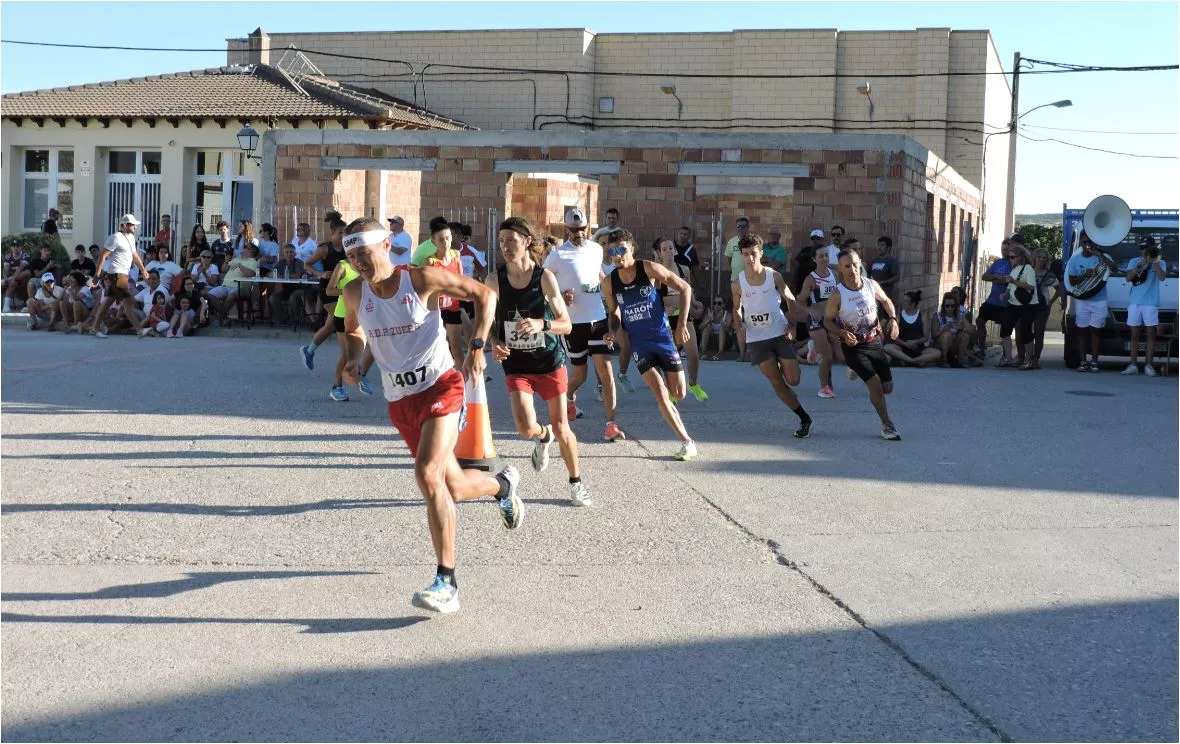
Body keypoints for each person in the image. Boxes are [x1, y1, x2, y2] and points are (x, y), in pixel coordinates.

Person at [339, 217, 523, 615]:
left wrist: (477, 345)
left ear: (387, 245)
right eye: (351, 256)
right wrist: (355, 363)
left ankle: (447, 582)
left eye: (364, 253)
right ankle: (502, 487)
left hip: (442, 388)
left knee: (427, 474)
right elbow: (354, 330)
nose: (359, 262)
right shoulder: (354, 292)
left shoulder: (422, 279)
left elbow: (484, 296)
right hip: (400, 401)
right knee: (451, 487)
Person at [486, 217, 589, 506]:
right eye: (502, 241)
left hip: (549, 361)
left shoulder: (543, 277)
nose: (505, 246)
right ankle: (541, 439)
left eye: (511, 240)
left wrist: (541, 324)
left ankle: (576, 483)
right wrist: (494, 343)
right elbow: (485, 322)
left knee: (562, 427)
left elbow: (565, 324)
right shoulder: (495, 279)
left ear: (527, 241)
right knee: (524, 427)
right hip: (516, 364)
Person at [601, 230, 699, 459]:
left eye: (622, 249)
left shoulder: (648, 268)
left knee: (679, 393)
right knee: (660, 392)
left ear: (632, 248)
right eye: (613, 251)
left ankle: (677, 414)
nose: (617, 256)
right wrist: (611, 330)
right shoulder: (609, 282)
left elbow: (685, 288)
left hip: (663, 339)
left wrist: (681, 324)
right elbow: (614, 311)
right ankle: (686, 441)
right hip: (640, 344)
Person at [543, 207, 620, 438]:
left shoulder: (596, 249)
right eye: (574, 230)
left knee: (606, 372)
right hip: (573, 324)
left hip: (597, 319)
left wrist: (611, 297)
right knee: (580, 376)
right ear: (567, 230)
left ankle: (611, 424)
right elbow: (542, 284)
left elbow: (598, 276)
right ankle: (568, 399)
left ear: (588, 228)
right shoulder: (557, 255)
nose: (578, 234)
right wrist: (559, 295)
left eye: (582, 229)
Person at [732, 235, 813, 438]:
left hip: (779, 332)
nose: (749, 258)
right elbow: (736, 307)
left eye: (753, 253)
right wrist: (739, 322)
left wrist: (792, 324)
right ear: (741, 256)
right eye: (745, 254)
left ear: (760, 253)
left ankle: (789, 361)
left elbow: (790, 298)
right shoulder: (738, 282)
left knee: (793, 380)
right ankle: (804, 418)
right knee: (777, 381)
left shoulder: (773, 276)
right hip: (756, 339)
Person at [823, 249, 901, 440]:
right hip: (852, 346)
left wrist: (892, 318)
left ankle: (855, 370)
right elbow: (827, 321)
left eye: (855, 265)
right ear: (840, 269)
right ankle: (887, 425)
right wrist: (841, 333)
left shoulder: (870, 284)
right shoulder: (837, 294)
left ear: (861, 264)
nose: (852, 270)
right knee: (874, 385)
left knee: (887, 388)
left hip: (874, 342)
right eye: (847, 266)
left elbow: (886, 300)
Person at [655, 237, 708, 402]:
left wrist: (694, 303)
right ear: (659, 253)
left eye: (671, 248)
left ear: (675, 251)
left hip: (684, 316)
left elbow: (687, 290)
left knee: (693, 353)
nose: (669, 251)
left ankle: (693, 384)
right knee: (669, 356)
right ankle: (671, 391)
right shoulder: (657, 273)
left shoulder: (683, 269)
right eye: (665, 249)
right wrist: (664, 307)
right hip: (665, 317)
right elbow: (654, 299)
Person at [414, 218, 467, 373]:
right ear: (434, 241)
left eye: (448, 238)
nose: (446, 242)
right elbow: (421, 288)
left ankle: (466, 381)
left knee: (456, 348)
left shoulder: (456, 255)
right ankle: (436, 378)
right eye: (441, 239)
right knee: (436, 347)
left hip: (453, 308)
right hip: (434, 310)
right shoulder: (430, 262)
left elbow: (461, 281)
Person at [86, 214, 151, 338]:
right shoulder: (115, 238)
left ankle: (95, 327)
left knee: (109, 302)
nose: (135, 227)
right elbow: (103, 256)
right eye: (133, 225)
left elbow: (135, 255)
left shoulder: (131, 238)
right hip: (116, 273)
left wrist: (143, 269)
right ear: (124, 225)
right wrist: (97, 274)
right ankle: (139, 329)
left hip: (122, 274)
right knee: (127, 302)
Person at [299, 216, 347, 372]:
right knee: (340, 320)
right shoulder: (324, 249)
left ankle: (309, 350)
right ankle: (349, 359)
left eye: (345, 233)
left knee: (331, 324)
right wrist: (320, 274)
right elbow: (307, 264)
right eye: (340, 233)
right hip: (327, 290)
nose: (343, 236)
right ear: (332, 231)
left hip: (343, 290)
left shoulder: (348, 248)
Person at [1066, 233, 1118, 372]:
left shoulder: (1103, 257)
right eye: (1084, 242)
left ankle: (1094, 362)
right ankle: (1083, 361)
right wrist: (1084, 275)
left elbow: (1114, 269)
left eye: (1090, 242)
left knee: (1096, 332)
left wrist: (1100, 255)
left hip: (1099, 300)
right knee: (1082, 332)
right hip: (1082, 300)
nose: (1088, 244)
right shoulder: (1075, 260)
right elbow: (1071, 281)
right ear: (1080, 244)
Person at [797, 246, 844, 397]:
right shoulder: (811, 279)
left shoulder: (835, 274)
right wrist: (811, 310)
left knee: (840, 356)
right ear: (814, 259)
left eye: (826, 256)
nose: (824, 259)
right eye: (820, 256)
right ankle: (824, 388)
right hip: (816, 320)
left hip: (831, 318)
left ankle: (814, 347)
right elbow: (800, 301)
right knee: (828, 356)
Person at [1122, 236, 1168, 376]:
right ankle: (1133, 365)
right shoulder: (1134, 261)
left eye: (1147, 248)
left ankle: (1148, 365)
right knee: (1134, 335)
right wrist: (1139, 265)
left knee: (1150, 335)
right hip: (1135, 302)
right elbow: (1128, 278)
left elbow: (1162, 278)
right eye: (1142, 248)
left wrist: (1155, 263)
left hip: (1150, 303)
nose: (1144, 250)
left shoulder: (1161, 262)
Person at [325, 252, 366, 401]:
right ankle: (336, 387)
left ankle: (361, 375)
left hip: (361, 313)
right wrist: (350, 292)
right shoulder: (342, 266)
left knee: (363, 348)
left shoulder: (364, 265)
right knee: (346, 354)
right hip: (343, 314)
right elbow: (329, 290)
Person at [976, 239, 1015, 363]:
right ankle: (981, 350)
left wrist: (1002, 280)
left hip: (1007, 303)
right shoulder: (997, 263)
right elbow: (985, 276)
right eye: (1003, 249)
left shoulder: (1015, 263)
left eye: (1007, 249)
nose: (1005, 252)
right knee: (980, 320)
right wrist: (996, 277)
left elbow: (1012, 280)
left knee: (1005, 330)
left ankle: (1006, 355)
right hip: (992, 301)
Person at [723, 216, 752, 360]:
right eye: (738, 226)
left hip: (752, 284)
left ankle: (752, 352)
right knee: (738, 317)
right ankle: (742, 353)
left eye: (743, 226)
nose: (740, 229)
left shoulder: (754, 242)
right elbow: (729, 259)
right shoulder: (732, 241)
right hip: (735, 283)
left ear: (748, 227)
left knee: (751, 318)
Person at [1029, 248, 1061, 370]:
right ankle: (1026, 357)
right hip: (1028, 304)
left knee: (1038, 332)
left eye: (1044, 258)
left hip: (1042, 305)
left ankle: (1036, 359)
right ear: (1034, 258)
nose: (1041, 259)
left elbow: (1059, 289)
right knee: (1025, 331)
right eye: (1039, 257)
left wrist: (1051, 302)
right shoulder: (1028, 271)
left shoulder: (1049, 274)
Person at [927, 291, 973, 366]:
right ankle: (944, 360)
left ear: (956, 306)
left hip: (954, 345)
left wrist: (962, 328)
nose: (950, 308)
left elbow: (971, 329)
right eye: (947, 306)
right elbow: (933, 336)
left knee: (965, 335)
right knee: (947, 335)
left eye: (952, 306)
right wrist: (943, 329)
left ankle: (960, 359)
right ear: (943, 306)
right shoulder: (937, 316)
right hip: (939, 344)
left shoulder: (959, 316)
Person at [269, 243, 309, 326]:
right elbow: (271, 272)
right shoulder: (281, 262)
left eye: (291, 252)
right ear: (283, 253)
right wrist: (273, 274)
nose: (289, 254)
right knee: (273, 298)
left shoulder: (299, 262)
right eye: (286, 252)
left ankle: (297, 320)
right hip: (287, 290)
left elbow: (297, 275)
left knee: (293, 297)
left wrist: (282, 276)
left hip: (300, 289)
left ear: (295, 254)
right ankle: (284, 318)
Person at [870, 236, 901, 309]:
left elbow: (897, 277)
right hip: (873, 295)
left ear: (888, 248)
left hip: (886, 296)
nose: (879, 247)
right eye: (878, 245)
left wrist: (883, 282)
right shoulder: (874, 260)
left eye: (882, 245)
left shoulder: (892, 261)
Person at [697, 296, 731, 360]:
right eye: (714, 303)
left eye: (719, 303)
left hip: (725, 343)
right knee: (707, 327)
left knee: (722, 327)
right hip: (712, 341)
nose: (716, 305)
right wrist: (708, 320)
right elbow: (700, 327)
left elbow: (729, 332)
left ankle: (720, 353)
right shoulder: (710, 314)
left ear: (723, 305)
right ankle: (703, 352)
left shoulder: (727, 315)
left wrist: (723, 323)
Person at [3, 239, 32, 312]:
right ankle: (6, 306)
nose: (15, 247)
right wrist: (6, 276)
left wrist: (11, 279)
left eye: (17, 246)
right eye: (13, 246)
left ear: (21, 247)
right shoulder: (7, 257)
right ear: (11, 247)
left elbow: (21, 268)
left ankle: (7, 281)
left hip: (24, 278)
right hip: (14, 279)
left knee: (27, 272)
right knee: (12, 283)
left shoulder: (25, 254)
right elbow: (6, 271)